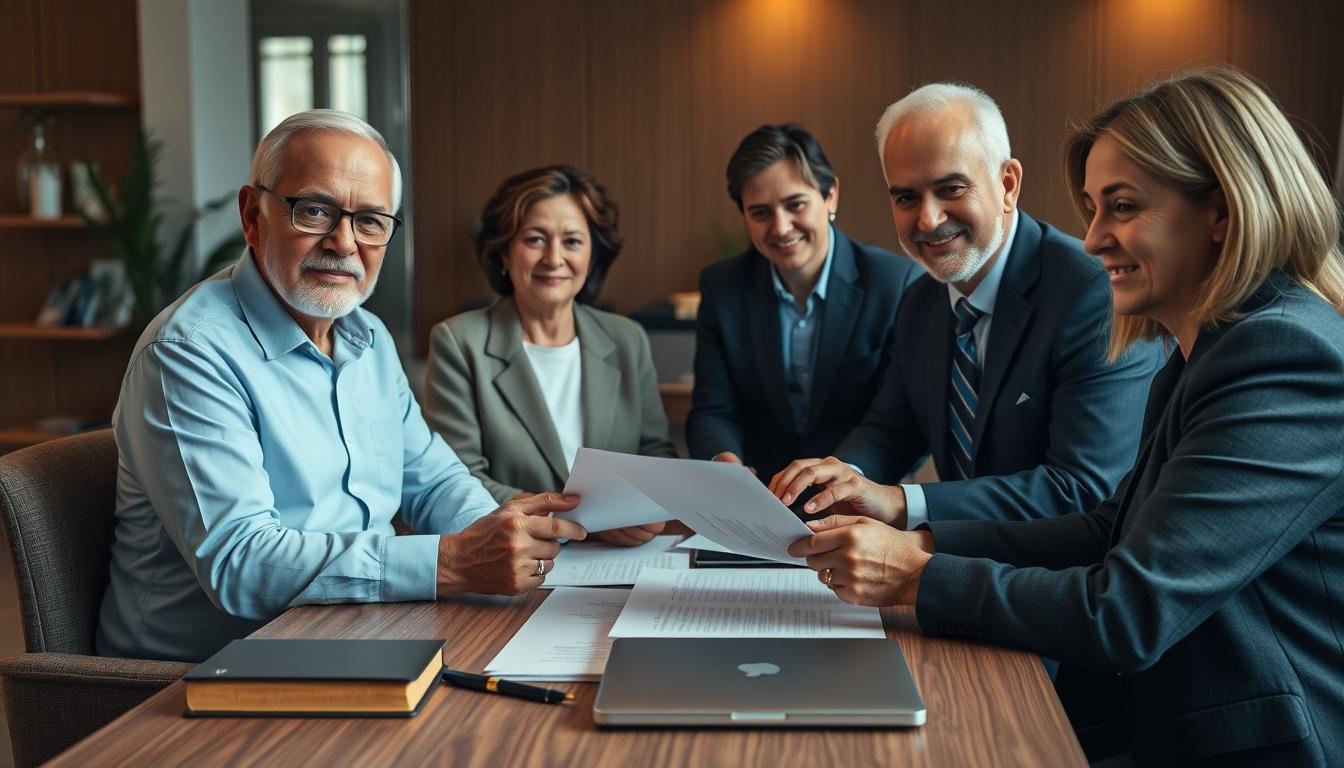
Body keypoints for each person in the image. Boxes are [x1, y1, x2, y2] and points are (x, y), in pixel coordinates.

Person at [789, 68, 1344, 765]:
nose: (1092, 239)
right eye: (1092, 208)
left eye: (1122, 207)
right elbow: (1111, 526)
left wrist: (914, 573)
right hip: (1161, 713)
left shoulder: (1281, 352)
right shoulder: (1205, 346)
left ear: (1223, 211)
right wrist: (924, 544)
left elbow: (1128, 612)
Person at [97, 111, 587, 663]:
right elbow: (241, 565)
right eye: (314, 210)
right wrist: (450, 561)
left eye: (372, 220)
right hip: (202, 678)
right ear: (252, 216)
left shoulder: (369, 337)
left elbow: (433, 483)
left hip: (360, 635)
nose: (343, 242)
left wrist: (514, 541)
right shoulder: (189, 352)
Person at [770, 84, 1160, 529]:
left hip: (1067, 581)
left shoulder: (1093, 294)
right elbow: (892, 428)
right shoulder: (920, 298)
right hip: (964, 573)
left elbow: (1082, 488)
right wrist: (843, 480)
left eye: (951, 188)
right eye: (905, 198)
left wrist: (900, 502)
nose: (928, 220)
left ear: (1008, 183)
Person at [423, 165, 674, 546]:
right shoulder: (459, 342)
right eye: (536, 239)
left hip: (624, 560)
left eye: (572, 241)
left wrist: (647, 506)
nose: (554, 258)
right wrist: (577, 518)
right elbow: (456, 478)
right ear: (504, 252)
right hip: (515, 560)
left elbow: (656, 454)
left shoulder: (627, 338)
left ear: (593, 257)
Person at [686, 124, 922, 482]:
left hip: (861, 497)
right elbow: (712, 409)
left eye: (795, 205)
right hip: (755, 499)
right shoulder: (722, 287)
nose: (781, 228)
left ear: (831, 197)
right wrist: (724, 467)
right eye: (761, 213)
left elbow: (897, 421)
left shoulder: (895, 284)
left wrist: (843, 477)